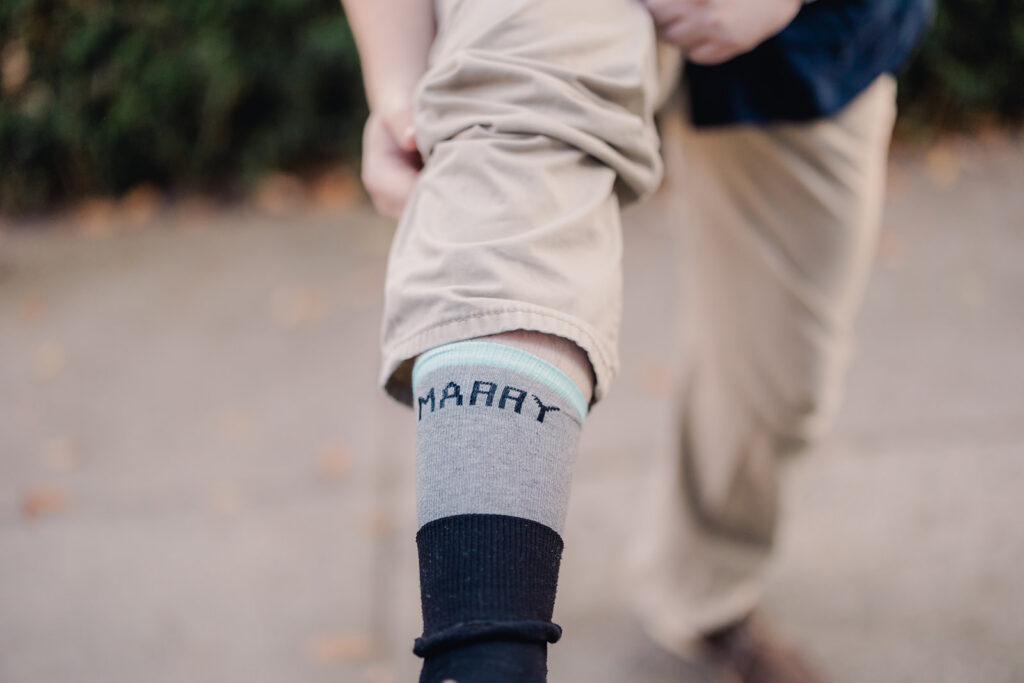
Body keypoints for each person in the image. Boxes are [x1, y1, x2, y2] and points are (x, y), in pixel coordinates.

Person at [340, 0, 930, 681]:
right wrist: (397, 84)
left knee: (779, 391)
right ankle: (480, 656)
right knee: (514, 172)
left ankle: (705, 592)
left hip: (815, 38)